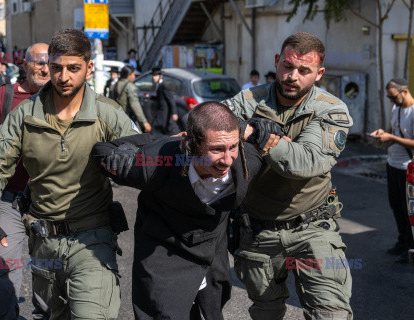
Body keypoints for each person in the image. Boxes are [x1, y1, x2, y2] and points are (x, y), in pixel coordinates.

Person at [0, 29, 139, 319]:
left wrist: (132, 152)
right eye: (57, 68)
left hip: (92, 240)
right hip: (44, 243)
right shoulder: (25, 114)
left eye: (74, 69)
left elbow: (144, 151)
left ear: (89, 67)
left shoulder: (106, 113)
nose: (63, 77)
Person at [93, 101, 287, 320]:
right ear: (190, 144)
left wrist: (254, 128)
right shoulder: (155, 164)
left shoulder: (245, 160)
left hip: (212, 256)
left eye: (232, 147)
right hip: (164, 254)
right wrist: (127, 156)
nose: (226, 159)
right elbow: (101, 152)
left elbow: (269, 138)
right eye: (216, 150)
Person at [223, 32, 353, 319]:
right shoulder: (250, 99)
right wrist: (244, 125)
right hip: (257, 231)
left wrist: (257, 135)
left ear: (319, 74)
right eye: (287, 66)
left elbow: (305, 162)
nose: (292, 76)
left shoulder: (331, 110)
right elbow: (210, 123)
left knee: (331, 314)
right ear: (277, 61)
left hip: (312, 227)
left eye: (304, 70)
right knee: (266, 311)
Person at [0, 43, 51, 320]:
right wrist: (9, 136)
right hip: (8, 198)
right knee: (4, 264)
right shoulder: (4, 96)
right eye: (38, 62)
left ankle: (48, 313)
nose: (44, 67)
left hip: (47, 200)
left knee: (49, 266)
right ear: (25, 64)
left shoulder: (63, 99)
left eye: (49, 62)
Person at [371, 78, 414, 263]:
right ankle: (401, 242)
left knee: (408, 211)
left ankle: (410, 247)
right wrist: (384, 133)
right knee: (396, 206)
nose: (391, 100)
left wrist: (392, 138)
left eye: (393, 97)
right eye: (388, 97)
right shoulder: (396, 108)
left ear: (404, 92)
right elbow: (394, 129)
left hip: (407, 167)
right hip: (392, 164)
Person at [112, 64, 151, 133]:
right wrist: (144, 122)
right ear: (129, 75)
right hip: (129, 120)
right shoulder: (130, 87)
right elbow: (135, 105)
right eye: (133, 74)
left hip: (116, 119)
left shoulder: (114, 85)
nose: (134, 76)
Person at [149, 67, 179, 136]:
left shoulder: (164, 86)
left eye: (155, 76)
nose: (153, 77)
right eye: (153, 76)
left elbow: (171, 99)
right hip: (161, 111)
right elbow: (160, 97)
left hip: (164, 112)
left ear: (160, 76)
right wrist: (150, 97)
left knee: (155, 128)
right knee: (162, 129)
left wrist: (174, 113)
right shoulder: (159, 85)